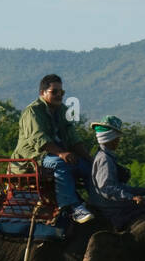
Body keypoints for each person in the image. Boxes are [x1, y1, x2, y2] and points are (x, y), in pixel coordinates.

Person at [11, 74, 94, 223]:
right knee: (60, 164)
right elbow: (39, 141)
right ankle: (72, 207)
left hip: (57, 154)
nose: (58, 95)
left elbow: (73, 138)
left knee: (88, 166)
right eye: (54, 92)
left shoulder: (62, 110)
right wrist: (62, 153)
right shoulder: (32, 112)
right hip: (34, 158)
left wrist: (90, 158)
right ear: (42, 93)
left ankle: (97, 201)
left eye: (61, 92)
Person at [88, 116, 145, 229]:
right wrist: (131, 198)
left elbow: (119, 187)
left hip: (110, 204)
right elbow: (107, 188)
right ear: (112, 139)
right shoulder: (105, 159)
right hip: (110, 208)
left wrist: (143, 191)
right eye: (117, 138)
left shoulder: (104, 156)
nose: (119, 140)